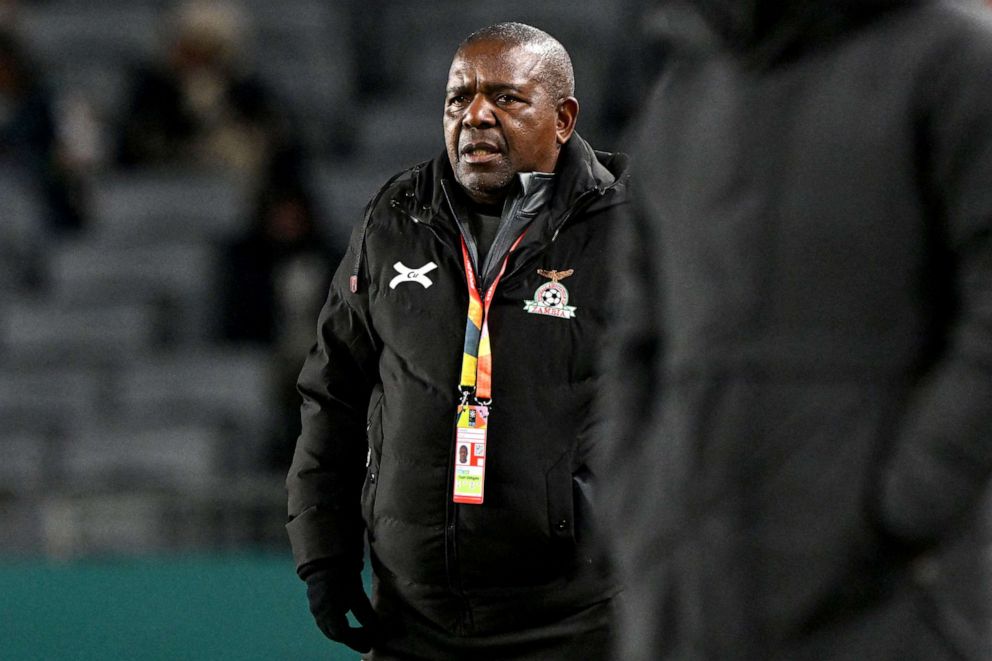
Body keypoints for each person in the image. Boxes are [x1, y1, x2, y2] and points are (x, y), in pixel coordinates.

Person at [599, 0, 992, 659]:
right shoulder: (682, 92)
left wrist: (905, 505)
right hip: (686, 605)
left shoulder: (949, 65)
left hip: (888, 606)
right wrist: (634, 506)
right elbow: (638, 336)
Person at [286, 22, 629, 660]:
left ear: (563, 118)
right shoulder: (394, 218)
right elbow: (331, 394)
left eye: (506, 98)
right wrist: (324, 553)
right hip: (414, 620)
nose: (475, 116)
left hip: (574, 620)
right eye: (458, 98)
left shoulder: (628, 230)